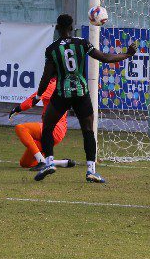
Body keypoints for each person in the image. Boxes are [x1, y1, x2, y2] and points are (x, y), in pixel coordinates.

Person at [32, 14, 138, 183]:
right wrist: (127, 54)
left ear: (57, 28)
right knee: (88, 131)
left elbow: (46, 77)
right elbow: (105, 58)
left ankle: (49, 163)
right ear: (71, 27)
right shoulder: (82, 43)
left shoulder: (52, 49)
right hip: (81, 93)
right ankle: (91, 171)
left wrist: (38, 95)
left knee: (48, 126)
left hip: (62, 93)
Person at [8, 78, 74, 170]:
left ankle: (42, 162)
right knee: (25, 163)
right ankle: (62, 163)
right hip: (57, 130)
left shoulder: (54, 85)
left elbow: (34, 98)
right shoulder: (62, 84)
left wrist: (18, 109)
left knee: (21, 128)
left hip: (54, 128)